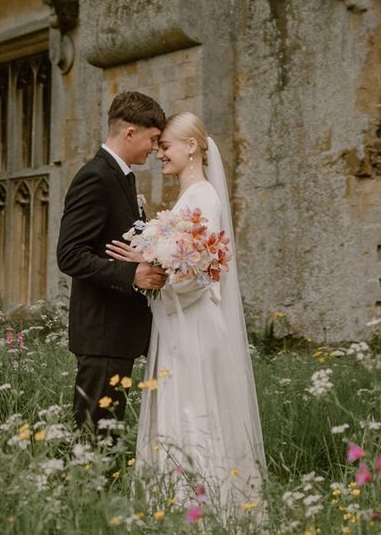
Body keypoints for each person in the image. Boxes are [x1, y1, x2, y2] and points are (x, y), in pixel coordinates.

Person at [106, 112, 266, 512]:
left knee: (195, 411)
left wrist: (152, 267)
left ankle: (200, 506)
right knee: (183, 409)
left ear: (191, 146)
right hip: (179, 323)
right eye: (158, 148)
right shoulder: (190, 197)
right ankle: (174, 501)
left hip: (192, 325)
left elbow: (199, 275)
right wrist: (149, 262)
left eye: (166, 146)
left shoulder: (203, 198)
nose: (160, 154)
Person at [57, 91, 168, 430]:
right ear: (129, 132)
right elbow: (70, 255)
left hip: (118, 332)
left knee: (107, 434)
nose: (154, 148)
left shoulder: (120, 177)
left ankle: (96, 483)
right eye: (152, 139)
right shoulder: (96, 176)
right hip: (101, 332)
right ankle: (82, 484)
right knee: (94, 433)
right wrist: (132, 274)